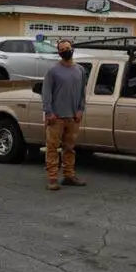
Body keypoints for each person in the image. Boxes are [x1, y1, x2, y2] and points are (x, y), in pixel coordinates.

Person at [41, 39, 88, 190]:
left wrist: (80, 110)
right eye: (63, 49)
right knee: (52, 148)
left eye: (68, 48)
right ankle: (52, 178)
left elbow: (82, 93)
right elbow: (46, 93)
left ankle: (69, 175)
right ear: (59, 53)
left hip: (73, 117)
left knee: (70, 148)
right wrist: (49, 113)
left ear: (72, 49)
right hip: (56, 118)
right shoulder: (53, 71)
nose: (66, 50)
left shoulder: (80, 70)